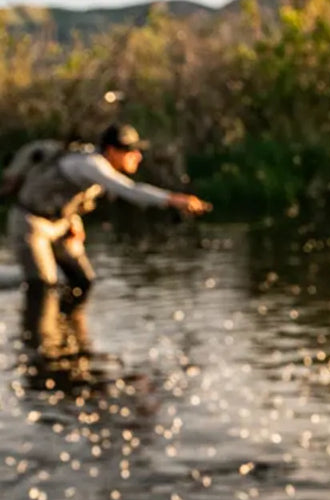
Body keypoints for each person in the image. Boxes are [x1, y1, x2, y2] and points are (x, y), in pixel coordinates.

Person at [1, 123, 211, 358]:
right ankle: (38, 349)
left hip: (59, 225)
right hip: (31, 224)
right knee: (44, 287)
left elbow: (69, 196)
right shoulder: (90, 164)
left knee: (83, 281)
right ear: (112, 151)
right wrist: (174, 200)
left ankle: (69, 336)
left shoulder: (95, 164)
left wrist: (73, 224)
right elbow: (129, 190)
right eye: (132, 151)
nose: (138, 156)